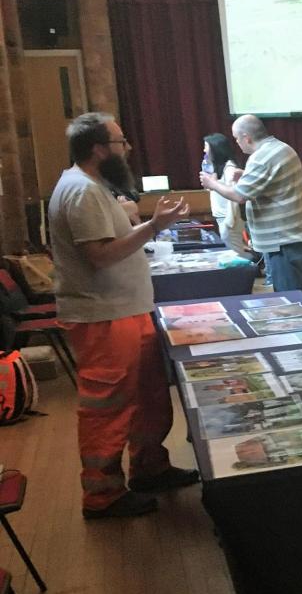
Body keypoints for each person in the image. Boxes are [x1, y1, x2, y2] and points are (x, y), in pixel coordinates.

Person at [48, 112, 200, 520]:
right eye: (120, 142)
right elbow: (99, 256)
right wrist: (154, 226)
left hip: (125, 311)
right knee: (108, 406)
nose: (127, 148)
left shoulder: (95, 187)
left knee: (148, 397)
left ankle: (150, 467)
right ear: (99, 148)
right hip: (103, 316)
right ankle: (102, 496)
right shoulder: (81, 190)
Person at [200, 115, 302, 293]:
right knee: (294, 292)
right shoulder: (281, 148)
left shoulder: (261, 157)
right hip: (291, 237)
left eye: (237, 139)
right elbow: (273, 182)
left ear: (247, 138)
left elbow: (239, 196)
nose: (237, 143)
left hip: (284, 241)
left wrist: (212, 184)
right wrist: (245, 174)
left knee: (291, 298)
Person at [202, 133, 251, 258]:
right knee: (232, 252)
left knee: (236, 255)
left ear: (215, 148)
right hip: (223, 218)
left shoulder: (230, 169)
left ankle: (246, 273)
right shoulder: (219, 168)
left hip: (229, 220)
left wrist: (230, 223)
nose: (204, 150)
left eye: (206, 147)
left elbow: (235, 196)